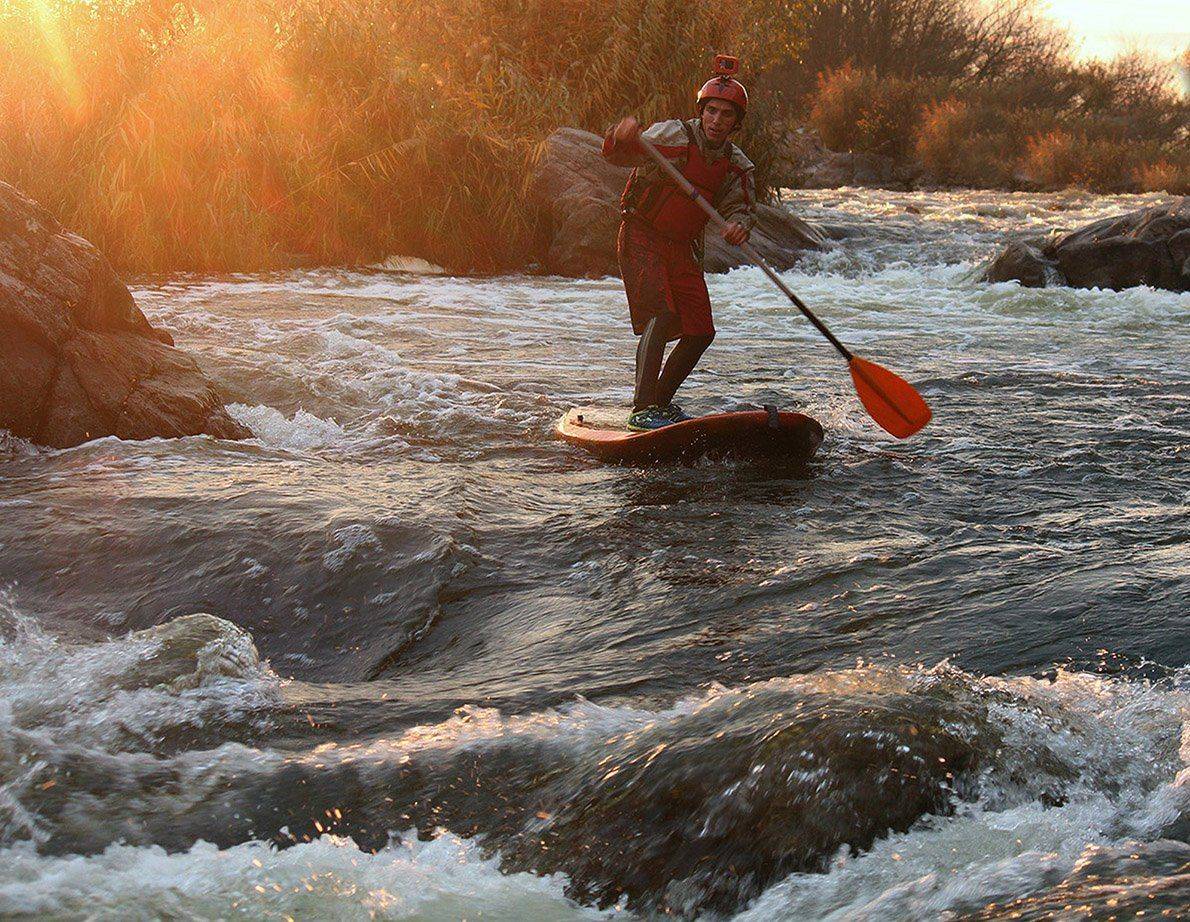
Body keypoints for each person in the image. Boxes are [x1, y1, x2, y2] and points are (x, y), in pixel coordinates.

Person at [602, 58, 757, 430]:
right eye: (711, 111)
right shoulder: (673, 135)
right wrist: (621, 135)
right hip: (642, 235)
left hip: (682, 247)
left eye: (726, 115)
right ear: (701, 112)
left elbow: (741, 209)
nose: (717, 121)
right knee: (662, 313)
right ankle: (642, 408)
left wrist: (738, 226)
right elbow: (618, 154)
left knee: (701, 330)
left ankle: (659, 403)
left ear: (736, 123)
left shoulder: (738, 165)